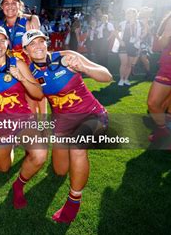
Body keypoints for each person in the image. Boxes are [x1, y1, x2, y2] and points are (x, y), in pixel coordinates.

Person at [23, 29, 112, 223]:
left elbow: (107, 76)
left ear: (46, 43)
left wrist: (84, 68)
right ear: (26, 51)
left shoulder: (67, 57)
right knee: (60, 170)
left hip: (93, 115)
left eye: (40, 41)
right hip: (63, 123)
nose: (37, 46)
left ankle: (73, 201)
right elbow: (35, 102)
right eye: (32, 44)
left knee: (77, 147)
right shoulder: (29, 73)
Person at [0, 26, 47, 209]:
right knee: (3, 169)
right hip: (0, 124)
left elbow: (39, 94)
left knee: (40, 154)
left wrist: (22, 79)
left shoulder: (17, 63)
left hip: (22, 119)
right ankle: (1, 148)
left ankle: (19, 186)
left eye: (2, 40)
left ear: (8, 43)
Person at [147, 10, 171, 144]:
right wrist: (168, 31)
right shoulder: (170, 21)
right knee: (153, 103)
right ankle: (162, 130)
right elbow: (159, 46)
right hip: (166, 71)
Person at [115, 8, 142, 86]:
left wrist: (138, 40)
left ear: (135, 14)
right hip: (124, 45)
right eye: (128, 13)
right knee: (124, 63)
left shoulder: (139, 24)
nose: (130, 15)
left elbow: (143, 33)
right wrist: (120, 41)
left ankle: (126, 79)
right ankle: (121, 79)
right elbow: (115, 32)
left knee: (129, 64)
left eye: (132, 13)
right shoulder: (122, 23)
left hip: (134, 45)